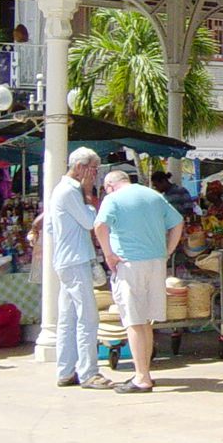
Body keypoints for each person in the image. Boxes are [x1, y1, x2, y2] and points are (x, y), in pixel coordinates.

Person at [94, 170, 184, 394]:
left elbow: (99, 225)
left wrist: (108, 255)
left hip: (130, 263)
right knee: (145, 321)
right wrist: (168, 251)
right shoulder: (153, 195)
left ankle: (142, 377)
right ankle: (144, 373)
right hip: (156, 262)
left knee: (134, 320)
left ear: (110, 185)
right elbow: (178, 222)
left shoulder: (112, 199)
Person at [46, 147, 114, 390]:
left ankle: (66, 369)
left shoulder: (59, 190)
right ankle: (88, 372)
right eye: (93, 168)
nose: (95, 174)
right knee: (87, 317)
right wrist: (87, 194)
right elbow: (90, 222)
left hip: (66, 259)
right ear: (81, 167)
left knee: (68, 317)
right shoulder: (71, 191)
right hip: (76, 259)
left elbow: (51, 228)